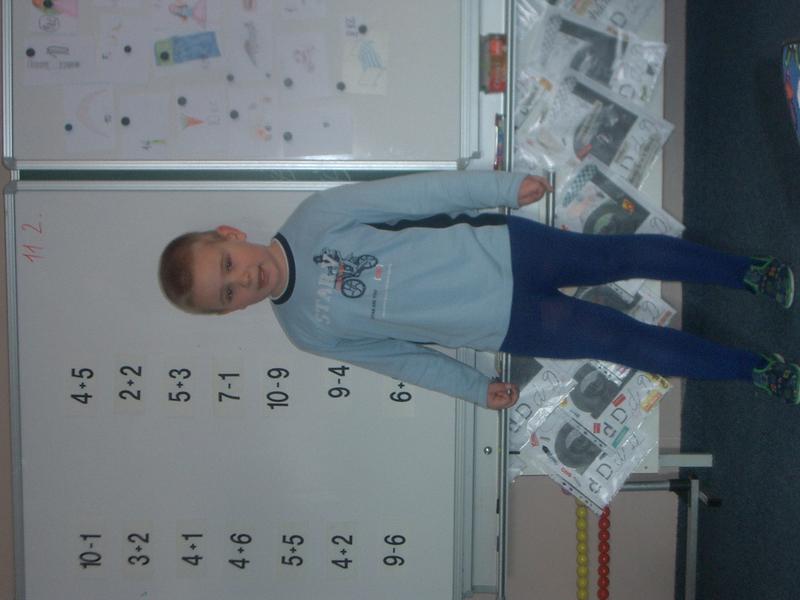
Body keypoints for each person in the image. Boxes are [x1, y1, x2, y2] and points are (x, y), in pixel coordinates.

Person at [158, 171, 798, 410]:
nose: (243, 279)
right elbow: (400, 360)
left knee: (618, 256)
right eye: (227, 293)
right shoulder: (305, 331)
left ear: (230, 234)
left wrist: (499, 189)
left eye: (228, 264)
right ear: (230, 312)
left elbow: (419, 196)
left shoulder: (315, 215)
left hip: (506, 249)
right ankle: (756, 370)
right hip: (503, 324)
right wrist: (470, 387)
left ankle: (748, 272)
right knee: (621, 342)